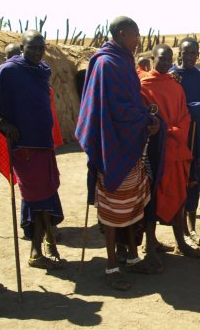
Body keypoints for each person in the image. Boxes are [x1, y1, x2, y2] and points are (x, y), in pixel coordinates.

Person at [76, 16, 160, 290]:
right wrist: (146, 121)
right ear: (122, 33)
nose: (138, 40)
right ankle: (112, 266)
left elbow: (130, 103)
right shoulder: (106, 63)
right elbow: (117, 110)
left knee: (133, 203)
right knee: (113, 209)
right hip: (112, 145)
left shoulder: (121, 60)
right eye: (135, 35)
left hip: (129, 144)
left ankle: (133, 258)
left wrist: (145, 117)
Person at [0, 30, 65, 269]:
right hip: (25, 147)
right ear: (22, 48)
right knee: (36, 199)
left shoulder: (41, 71)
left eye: (40, 48)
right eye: (31, 48)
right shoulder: (9, 71)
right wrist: (2, 123)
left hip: (43, 144)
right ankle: (36, 252)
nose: (36, 52)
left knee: (45, 195)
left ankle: (43, 245)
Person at [140, 44, 200, 261]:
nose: (166, 63)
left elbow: (184, 116)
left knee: (179, 194)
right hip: (154, 151)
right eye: (161, 59)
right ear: (152, 58)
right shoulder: (144, 85)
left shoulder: (176, 86)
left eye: (169, 59)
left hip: (176, 150)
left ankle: (180, 241)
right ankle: (150, 243)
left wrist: (171, 130)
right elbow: (143, 116)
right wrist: (162, 129)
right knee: (152, 196)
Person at [169, 37, 200, 248]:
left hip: (197, 134)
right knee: (180, 180)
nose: (189, 57)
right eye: (185, 53)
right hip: (179, 136)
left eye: (192, 53)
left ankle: (192, 227)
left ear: (198, 54)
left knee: (194, 179)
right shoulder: (172, 76)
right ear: (179, 54)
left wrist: (197, 111)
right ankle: (181, 230)